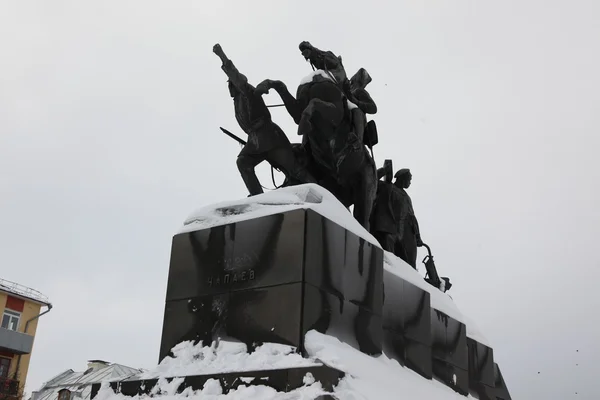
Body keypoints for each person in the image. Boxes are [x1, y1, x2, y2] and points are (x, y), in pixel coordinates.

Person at [213, 44, 316, 195]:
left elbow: (236, 76)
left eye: (231, 83)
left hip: (269, 136)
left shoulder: (246, 90)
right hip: (255, 140)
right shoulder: (237, 102)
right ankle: (257, 197)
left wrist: (221, 56)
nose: (230, 86)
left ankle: (321, 193)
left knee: (295, 171)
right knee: (243, 162)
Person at [393, 169, 424, 268]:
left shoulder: (407, 197)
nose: (410, 183)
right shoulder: (391, 189)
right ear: (402, 179)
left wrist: (418, 235)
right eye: (409, 180)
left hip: (409, 231)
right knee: (400, 257)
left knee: (411, 260)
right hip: (396, 228)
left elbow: (412, 216)